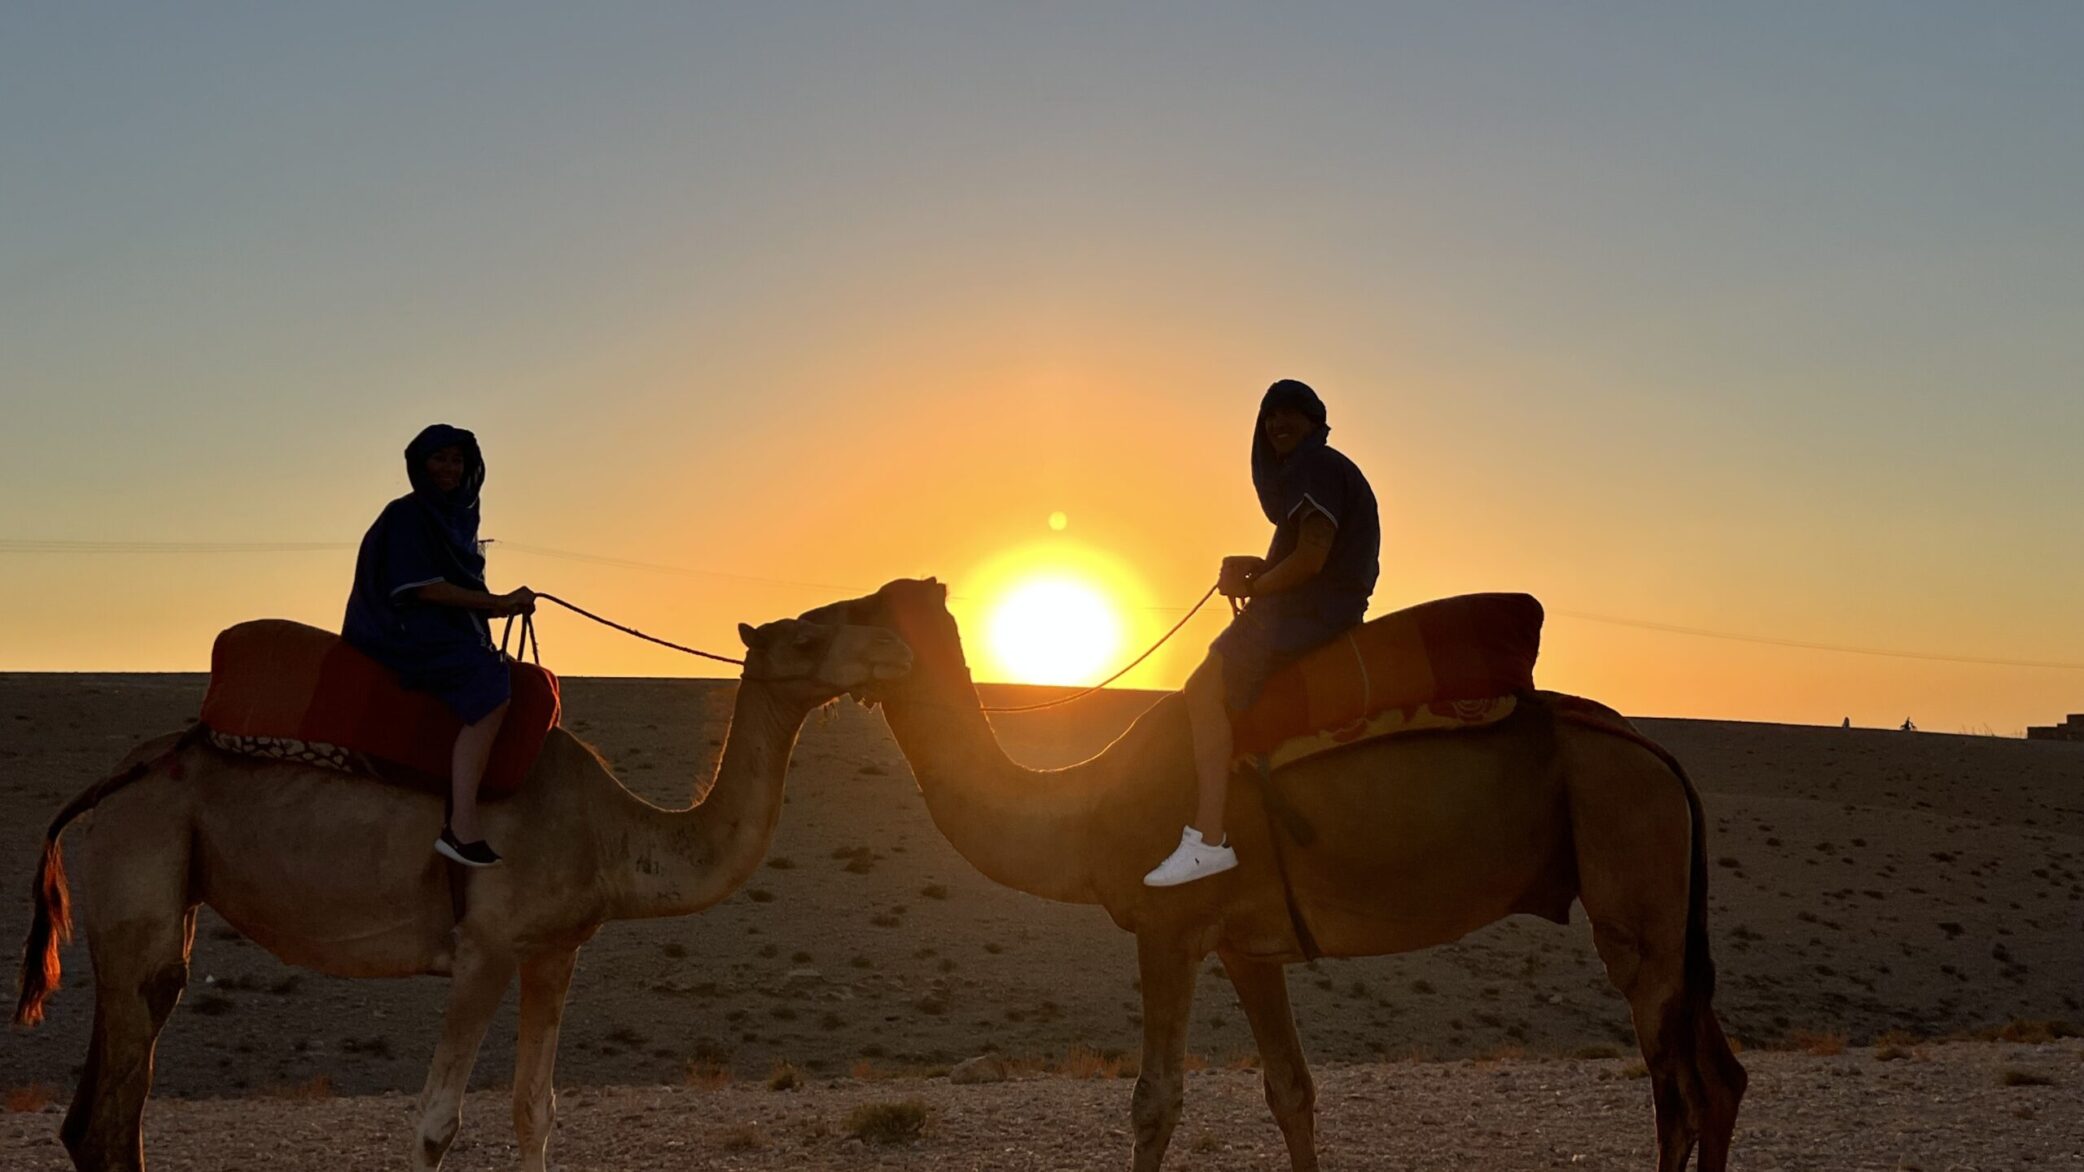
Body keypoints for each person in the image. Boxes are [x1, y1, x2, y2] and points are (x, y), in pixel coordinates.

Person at [1143, 380, 1380, 887]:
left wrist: (1259, 585)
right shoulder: (1315, 475)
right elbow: (1306, 555)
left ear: (1315, 424)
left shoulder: (1316, 467)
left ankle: (1207, 840)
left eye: (1293, 414)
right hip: (1318, 606)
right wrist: (1258, 570)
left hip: (1314, 612)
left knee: (1203, 689)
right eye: (1271, 415)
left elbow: (1312, 560)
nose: (1278, 424)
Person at [343, 424, 535, 868]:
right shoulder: (408, 515)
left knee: (513, 676)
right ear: (420, 465)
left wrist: (500, 606)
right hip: (400, 629)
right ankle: (461, 826)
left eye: (456, 460)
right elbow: (424, 589)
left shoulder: (457, 519)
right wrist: (499, 603)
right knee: (490, 684)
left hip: (439, 627)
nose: (449, 469)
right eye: (440, 459)